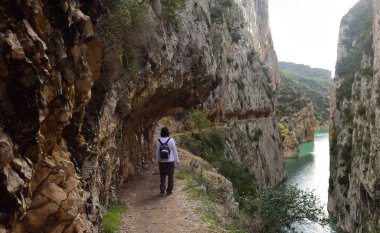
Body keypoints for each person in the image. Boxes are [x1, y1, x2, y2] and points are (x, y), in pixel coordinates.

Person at [156, 127, 180, 195]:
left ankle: (162, 190)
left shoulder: (158, 141)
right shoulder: (171, 140)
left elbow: (157, 152)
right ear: (167, 132)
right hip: (170, 161)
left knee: (162, 176)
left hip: (161, 161)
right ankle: (169, 190)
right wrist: (177, 160)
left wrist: (157, 161)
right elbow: (175, 151)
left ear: (161, 132)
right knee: (170, 176)